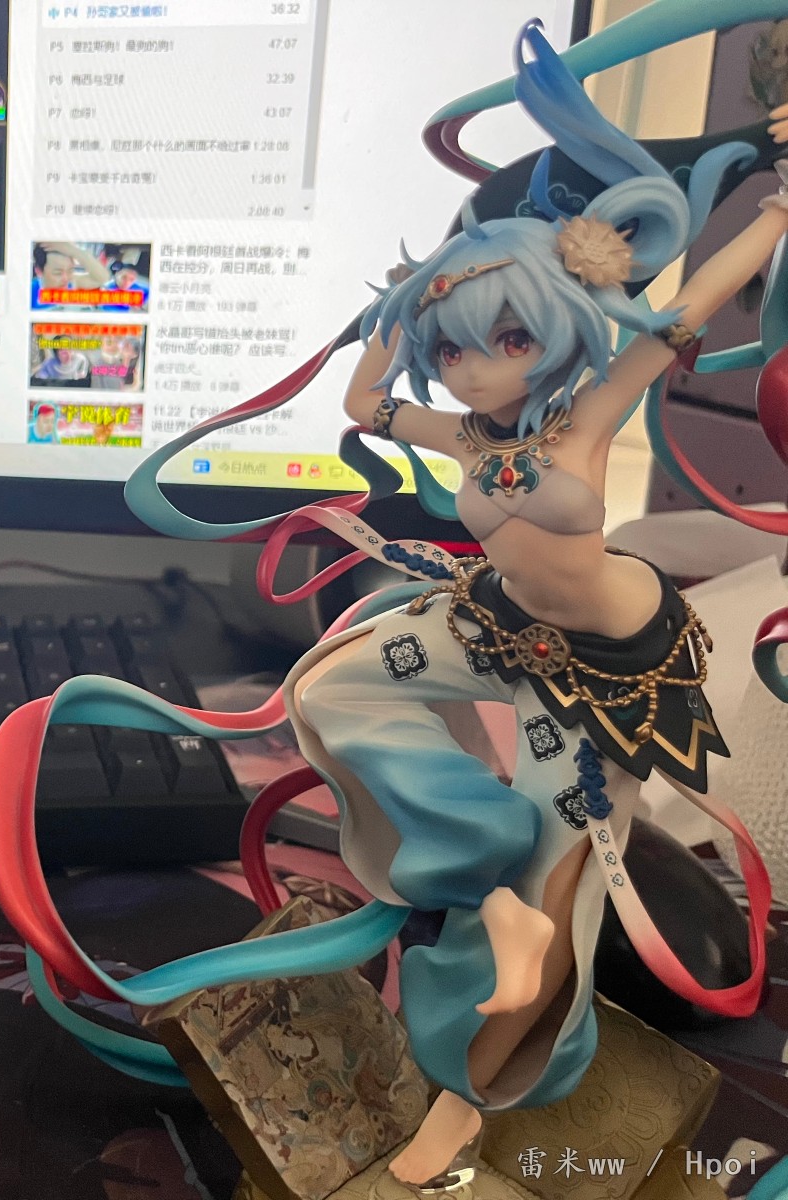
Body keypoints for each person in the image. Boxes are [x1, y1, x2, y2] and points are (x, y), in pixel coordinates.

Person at [273, 27, 782, 1183]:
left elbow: (692, 307)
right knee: (330, 688)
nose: (476, 365)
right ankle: (477, 853)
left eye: (508, 337)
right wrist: (398, 304)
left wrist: (772, 213)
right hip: (495, 624)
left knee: (562, 899)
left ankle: (465, 1098)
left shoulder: (588, 414)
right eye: (454, 349)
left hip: (608, 663)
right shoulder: (462, 431)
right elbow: (360, 402)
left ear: (556, 324)